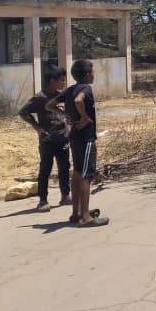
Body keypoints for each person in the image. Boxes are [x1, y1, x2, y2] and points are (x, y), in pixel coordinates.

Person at [48, 59, 109, 227]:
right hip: (86, 137)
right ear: (88, 75)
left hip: (74, 136)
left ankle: (75, 213)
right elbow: (78, 101)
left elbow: (50, 105)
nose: (94, 75)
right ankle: (85, 217)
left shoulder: (70, 90)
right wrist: (83, 117)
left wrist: (66, 116)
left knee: (77, 172)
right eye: (93, 72)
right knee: (86, 176)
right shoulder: (85, 89)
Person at [18, 65, 72, 213]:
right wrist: (36, 127)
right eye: (61, 80)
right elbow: (23, 112)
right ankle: (43, 200)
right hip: (47, 139)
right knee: (45, 169)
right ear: (52, 80)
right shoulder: (40, 97)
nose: (63, 83)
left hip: (62, 138)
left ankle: (65, 195)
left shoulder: (59, 96)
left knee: (64, 167)